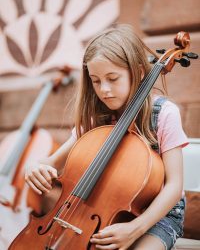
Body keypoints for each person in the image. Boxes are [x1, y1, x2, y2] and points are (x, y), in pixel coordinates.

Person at [25, 24, 188, 250]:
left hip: (154, 218)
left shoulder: (163, 115)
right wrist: (33, 166)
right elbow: (50, 163)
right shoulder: (95, 119)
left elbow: (174, 186)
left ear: (139, 72)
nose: (104, 90)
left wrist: (135, 228)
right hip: (95, 213)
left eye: (113, 78)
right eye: (96, 80)